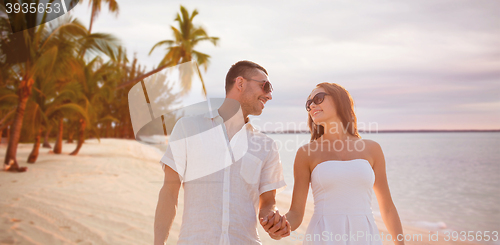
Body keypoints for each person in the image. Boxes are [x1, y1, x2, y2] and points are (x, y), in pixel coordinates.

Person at [154, 60, 289, 245]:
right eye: (265, 86)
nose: (269, 95)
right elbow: (169, 192)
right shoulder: (188, 128)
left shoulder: (266, 145)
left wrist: (274, 224)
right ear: (240, 83)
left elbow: (267, 203)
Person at [261, 82, 405, 244]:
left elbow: (387, 208)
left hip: (366, 236)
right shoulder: (306, 153)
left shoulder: (372, 149)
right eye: (308, 103)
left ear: (339, 101)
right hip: (323, 236)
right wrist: (279, 229)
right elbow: (296, 213)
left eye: (318, 98)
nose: (312, 105)